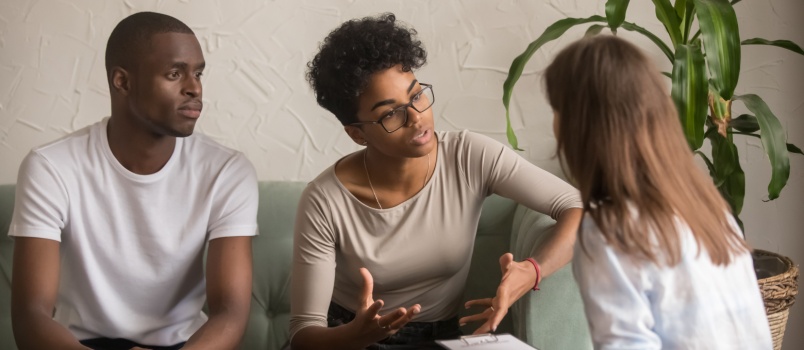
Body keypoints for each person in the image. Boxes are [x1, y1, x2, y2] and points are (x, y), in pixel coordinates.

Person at [288, 13, 583, 350]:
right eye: (390, 113)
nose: (416, 118)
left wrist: (531, 271)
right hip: (344, 337)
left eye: (416, 95)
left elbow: (577, 207)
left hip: (437, 339)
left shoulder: (470, 156)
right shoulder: (325, 200)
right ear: (357, 134)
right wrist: (356, 334)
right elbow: (304, 335)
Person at [10, 12, 258, 350]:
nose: (194, 87)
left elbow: (230, 313)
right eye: (175, 73)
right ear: (122, 82)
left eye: (198, 73)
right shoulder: (51, 167)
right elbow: (30, 317)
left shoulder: (227, 171)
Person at [545, 35, 773, 349]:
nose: (554, 124)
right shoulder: (710, 209)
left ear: (582, 126)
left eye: (557, 110)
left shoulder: (610, 230)